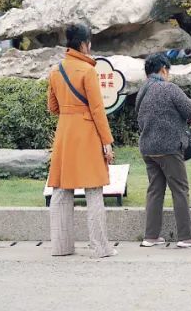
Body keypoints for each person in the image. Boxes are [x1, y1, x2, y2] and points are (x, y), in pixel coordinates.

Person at [46, 23, 115, 259]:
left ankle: (61, 247)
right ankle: (100, 247)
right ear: (85, 43)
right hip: (86, 133)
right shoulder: (88, 71)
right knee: (93, 191)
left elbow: (52, 107)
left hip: (64, 133)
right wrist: (107, 141)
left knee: (61, 191)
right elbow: (97, 109)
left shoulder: (56, 70)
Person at [136, 53, 191, 249]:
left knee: (155, 191)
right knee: (180, 190)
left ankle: (150, 237)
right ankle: (186, 236)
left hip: (148, 148)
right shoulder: (169, 88)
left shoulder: (143, 90)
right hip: (169, 148)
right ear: (164, 69)